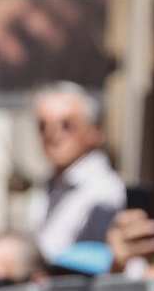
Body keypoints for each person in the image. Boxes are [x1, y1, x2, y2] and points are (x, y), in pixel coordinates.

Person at [30, 81, 125, 263]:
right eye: (43, 126)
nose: (52, 134)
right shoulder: (50, 185)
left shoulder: (104, 192)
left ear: (95, 131)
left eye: (67, 125)